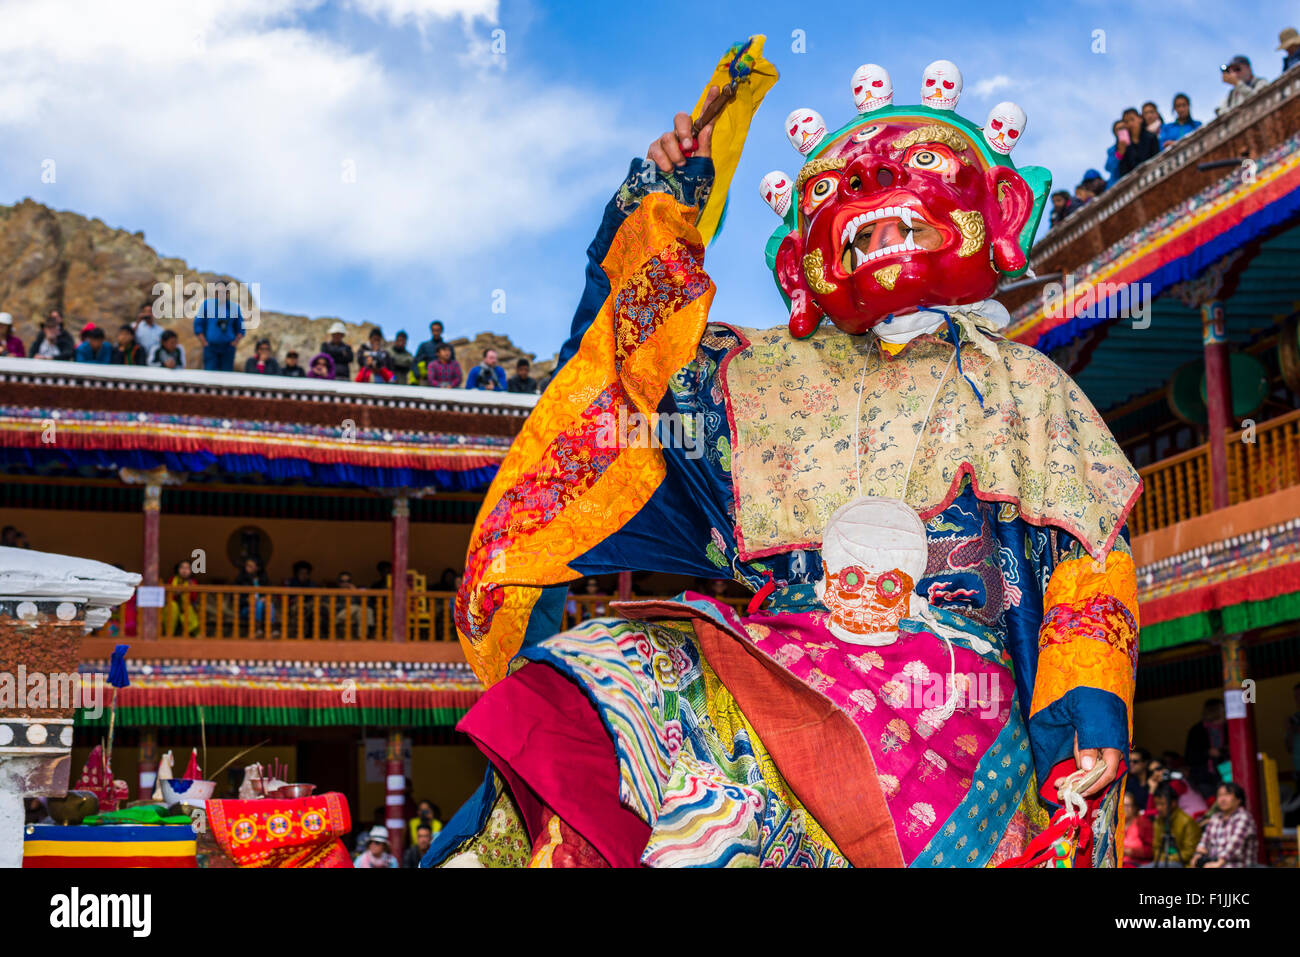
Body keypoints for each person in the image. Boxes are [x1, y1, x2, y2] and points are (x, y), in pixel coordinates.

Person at [437, 60, 1143, 869]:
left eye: (913, 176)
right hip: (774, 654)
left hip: (948, 685)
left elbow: (1089, 567)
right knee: (591, 679)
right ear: (801, 260)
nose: (874, 193)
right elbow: (627, 366)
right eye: (844, 199)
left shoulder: (1025, 387)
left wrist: (1088, 714)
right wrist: (665, 196)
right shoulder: (754, 377)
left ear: (999, 210)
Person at [1191, 782, 1257, 867]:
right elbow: (1204, 841)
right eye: (1219, 795)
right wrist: (1198, 855)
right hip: (1213, 864)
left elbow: (1234, 846)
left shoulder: (1243, 817)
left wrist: (1219, 863)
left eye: (1227, 795)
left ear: (1238, 799)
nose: (1222, 799)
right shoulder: (1215, 818)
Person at [1149, 782, 1201, 867]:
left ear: (1173, 803)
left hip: (1182, 863)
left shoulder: (1187, 821)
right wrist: (1163, 859)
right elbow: (1156, 848)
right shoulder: (1158, 821)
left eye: (1162, 804)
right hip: (1162, 862)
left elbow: (1189, 853)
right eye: (1157, 804)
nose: (1158, 808)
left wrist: (1168, 859)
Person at [1185, 698, 1227, 797]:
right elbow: (1189, 757)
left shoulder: (1228, 728)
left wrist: (1223, 751)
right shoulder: (1197, 730)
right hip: (1204, 777)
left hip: (1225, 774)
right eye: (1223, 709)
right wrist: (1207, 753)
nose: (1226, 711)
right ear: (1214, 711)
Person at [193, 297, 245, 372]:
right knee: (209, 374)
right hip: (210, 347)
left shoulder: (234, 308)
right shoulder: (207, 305)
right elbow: (198, 324)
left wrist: (235, 342)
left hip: (228, 348)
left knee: (227, 376)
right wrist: (204, 342)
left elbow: (241, 327)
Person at [1117, 106, 1160, 176]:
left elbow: (1157, 159)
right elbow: (1122, 172)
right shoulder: (1123, 144)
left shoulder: (1151, 137)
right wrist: (1120, 154)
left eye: (1132, 119)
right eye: (1126, 122)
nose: (1130, 124)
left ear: (1140, 119)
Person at [163, 559, 200, 637]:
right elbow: (168, 596)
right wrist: (177, 593)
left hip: (187, 605)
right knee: (172, 606)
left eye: (187, 568)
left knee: (188, 609)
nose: (184, 571)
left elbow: (193, 598)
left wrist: (186, 590)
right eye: (182, 568)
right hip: (174, 605)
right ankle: (169, 634)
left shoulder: (193, 582)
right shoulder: (172, 580)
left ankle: (195, 634)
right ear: (178, 569)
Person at [1121, 789, 1153, 867]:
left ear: (1134, 808)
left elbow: (1152, 850)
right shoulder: (1116, 824)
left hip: (1138, 864)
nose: (1125, 808)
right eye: (1122, 805)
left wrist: (1131, 852)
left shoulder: (1143, 823)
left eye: (1128, 805)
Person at [1104, 119, 1127, 186]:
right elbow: (1108, 167)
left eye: (1124, 128)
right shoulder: (1112, 150)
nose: (1122, 130)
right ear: (1115, 133)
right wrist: (1119, 155)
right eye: (1119, 129)